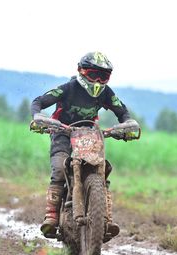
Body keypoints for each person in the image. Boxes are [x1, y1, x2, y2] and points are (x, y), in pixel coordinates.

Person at [30, 51, 139, 238]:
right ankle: (52, 216)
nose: (97, 81)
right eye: (93, 74)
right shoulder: (68, 88)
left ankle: (105, 219)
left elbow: (122, 111)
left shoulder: (106, 93)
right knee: (59, 168)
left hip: (89, 132)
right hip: (61, 131)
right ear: (80, 71)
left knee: (101, 169)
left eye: (103, 76)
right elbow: (39, 101)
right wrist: (39, 115)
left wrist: (126, 123)